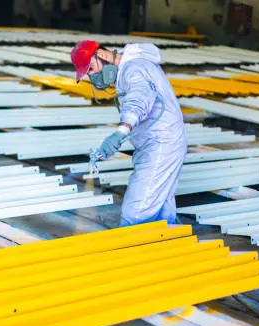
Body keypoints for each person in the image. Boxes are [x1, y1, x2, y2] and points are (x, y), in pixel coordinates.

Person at [71, 40, 187, 226]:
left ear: (102, 55)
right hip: (155, 142)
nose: (93, 77)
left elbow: (139, 99)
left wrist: (120, 132)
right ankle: (172, 249)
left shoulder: (134, 69)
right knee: (161, 210)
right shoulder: (128, 67)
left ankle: (136, 251)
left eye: (91, 69)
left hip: (161, 143)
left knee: (136, 213)